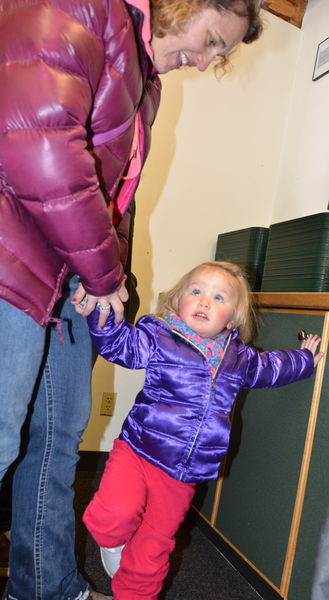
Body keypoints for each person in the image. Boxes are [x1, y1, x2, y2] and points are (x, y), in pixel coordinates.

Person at [0, 1, 264, 599]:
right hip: (13, 255)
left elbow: (113, 194)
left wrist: (104, 278)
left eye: (219, 57)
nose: (205, 61)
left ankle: (46, 588)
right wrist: (104, 277)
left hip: (70, 279)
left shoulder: (148, 83)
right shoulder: (85, 9)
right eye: (214, 39)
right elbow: (38, 145)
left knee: (57, 443)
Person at [83, 261, 323, 600]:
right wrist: (105, 314)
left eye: (218, 297)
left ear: (234, 317)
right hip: (138, 451)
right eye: (196, 291)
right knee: (112, 515)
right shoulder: (159, 336)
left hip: (184, 473)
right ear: (180, 300)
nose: (204, 301)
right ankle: (114, 541)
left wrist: (303, 360)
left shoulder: (238, 357)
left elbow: (271, 367)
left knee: (154, 548)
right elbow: (117, 345)